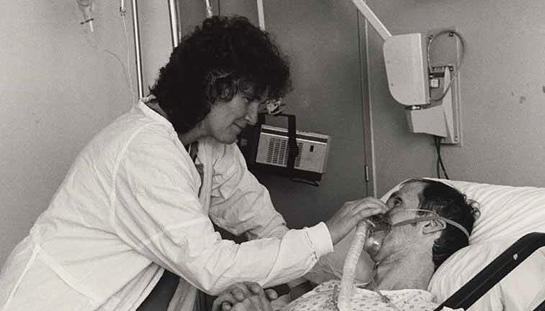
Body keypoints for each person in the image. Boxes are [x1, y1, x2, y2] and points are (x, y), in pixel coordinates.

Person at [0, 16, 387, 311]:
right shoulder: (142, 150)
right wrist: (326, 232)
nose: (253, 117)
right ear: (215, 86)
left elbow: (262, 225)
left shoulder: (210, 144)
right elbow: (211, 266)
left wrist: (329, 274)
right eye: (248, 100)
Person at [214, 178, 478, 311]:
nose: (381, 211)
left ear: (431, 224)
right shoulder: (330, 289)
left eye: (397, 203)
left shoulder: (423, 310)